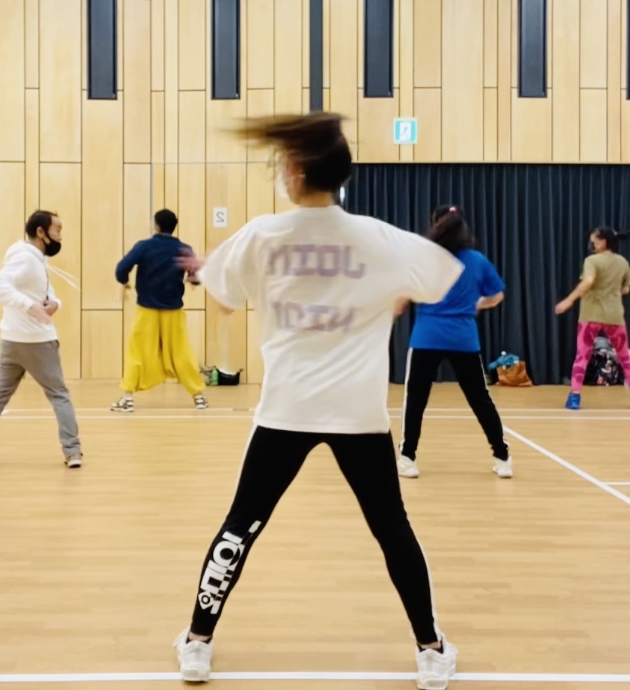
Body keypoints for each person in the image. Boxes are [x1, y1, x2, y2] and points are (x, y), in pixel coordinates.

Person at [173, 113, 464, 690]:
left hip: (286, 410)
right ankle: (431, 651)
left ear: (298, 171)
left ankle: (197, 645)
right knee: (392, 530)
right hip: (359, 414)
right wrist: (393, 294)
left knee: (241, 525)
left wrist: (206, 271)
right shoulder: (379, 238)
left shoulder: (263, 235)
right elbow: (441, 275)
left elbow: (223, 298)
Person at [0, 210, 82, 469]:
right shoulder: (26, 259)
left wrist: (55, 303)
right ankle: (73, 452)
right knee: (59, 395)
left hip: (11, 342)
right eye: (57, 230)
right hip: (38, 342)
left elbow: (45, 291)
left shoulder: (34, 259)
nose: (60, 236)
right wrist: (30, 306)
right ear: (41, 232)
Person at [396, 206, 511, 480]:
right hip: (463, 338)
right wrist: (477, 304)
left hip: (427, 337)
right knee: (480, 398)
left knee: (416, 398)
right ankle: (502, 457)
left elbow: (402, 298)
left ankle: (408, 458)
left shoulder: (424, 258)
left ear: (436, 226)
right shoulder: (477, 260)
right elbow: (497, 296)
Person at [111, 209, 208, 412]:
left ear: (155, 225)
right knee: (182, 353)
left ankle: (127, 399)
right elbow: (196, 277)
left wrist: (124, 281)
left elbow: (121, 268)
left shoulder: (144, 246)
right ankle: (198, 397)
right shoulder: (184, 249)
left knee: (137, 352)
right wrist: (192, 278)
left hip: (147, 309)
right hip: (174, 310)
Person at [555, 226, 630, 411]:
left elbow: (588, 281)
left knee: (582, 356)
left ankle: (574, 397)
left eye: (594, 241)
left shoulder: (591, 261)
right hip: (615, 315)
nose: (592, 244)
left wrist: (569, 300)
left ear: (603, 241)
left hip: (590, 315)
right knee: (624, 357)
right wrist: (610, 290)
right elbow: (626, 288)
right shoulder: (622, 262)